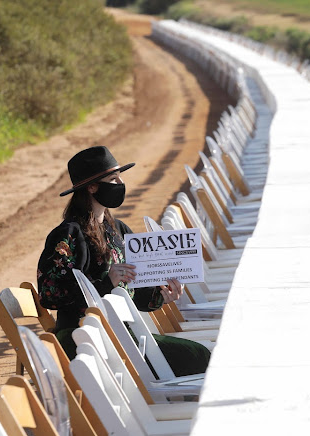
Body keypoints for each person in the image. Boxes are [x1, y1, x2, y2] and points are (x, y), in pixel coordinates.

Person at [37, 145, 210, 376]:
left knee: (200, 355)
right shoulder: (68, 234)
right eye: (114, 179)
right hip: (84, 337)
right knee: (199, 357)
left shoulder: (117, 230)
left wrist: (162, 295)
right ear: (92, 187)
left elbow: (136, 293)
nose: (120, 185)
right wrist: (106, 283)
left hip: (123, 335)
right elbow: (49, 294)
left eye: (120, 178)